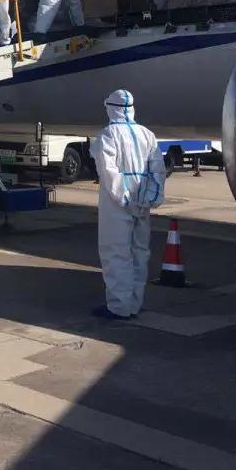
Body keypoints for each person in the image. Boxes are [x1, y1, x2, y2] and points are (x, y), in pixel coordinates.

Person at [90, 89, 167, 320]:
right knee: (139, 253)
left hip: (117, 205)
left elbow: (108, 171)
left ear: (110, 108)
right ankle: (134, 303)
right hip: (142, 204)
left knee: (115, 253)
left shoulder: (108, 135)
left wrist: (124, 198)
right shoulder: (147, 135)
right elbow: (158, 170)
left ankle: (119, 306)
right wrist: (151, 198)